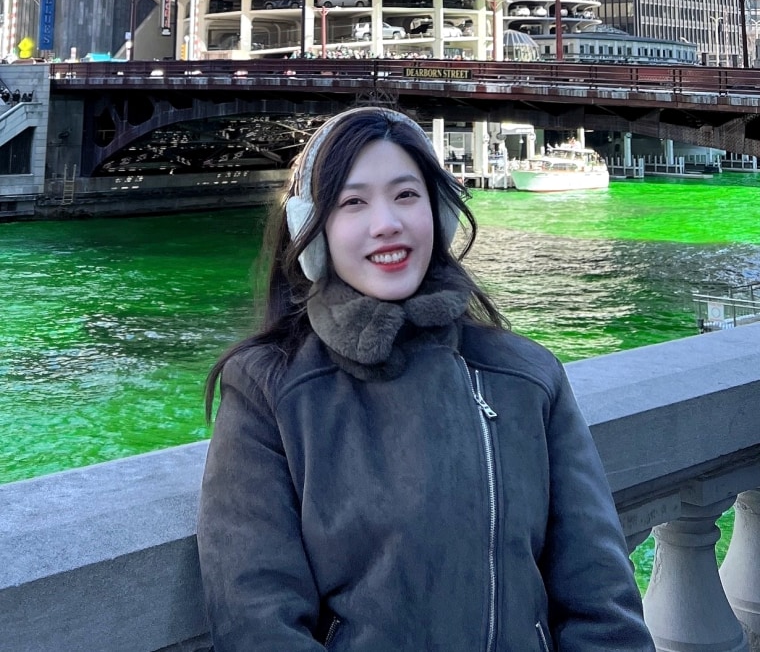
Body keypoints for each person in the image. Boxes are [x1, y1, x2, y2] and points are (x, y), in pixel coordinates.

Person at [197, 106, 655, 651]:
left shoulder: (528, 376)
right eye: (353, 201)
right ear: (311, 232)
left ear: (439, 213)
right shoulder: (268, 389)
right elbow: (256, 621)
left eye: (406, 195)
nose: (385, 221)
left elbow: (602, 601)